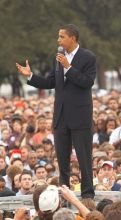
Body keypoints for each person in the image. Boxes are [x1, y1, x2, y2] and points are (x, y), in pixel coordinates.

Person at [16, 23, 96, 198]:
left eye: (61, 36)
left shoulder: (88, 57)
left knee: (84, 158)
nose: (58, 40)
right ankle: (64, 192)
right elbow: (50, 82)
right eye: (58, 36)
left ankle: (88, 194)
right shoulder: (58, 57)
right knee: (62, 158)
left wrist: (68, 68)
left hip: (80, 116)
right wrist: (30, 76)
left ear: (72, 38)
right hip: (61, 116)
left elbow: (87, 82)